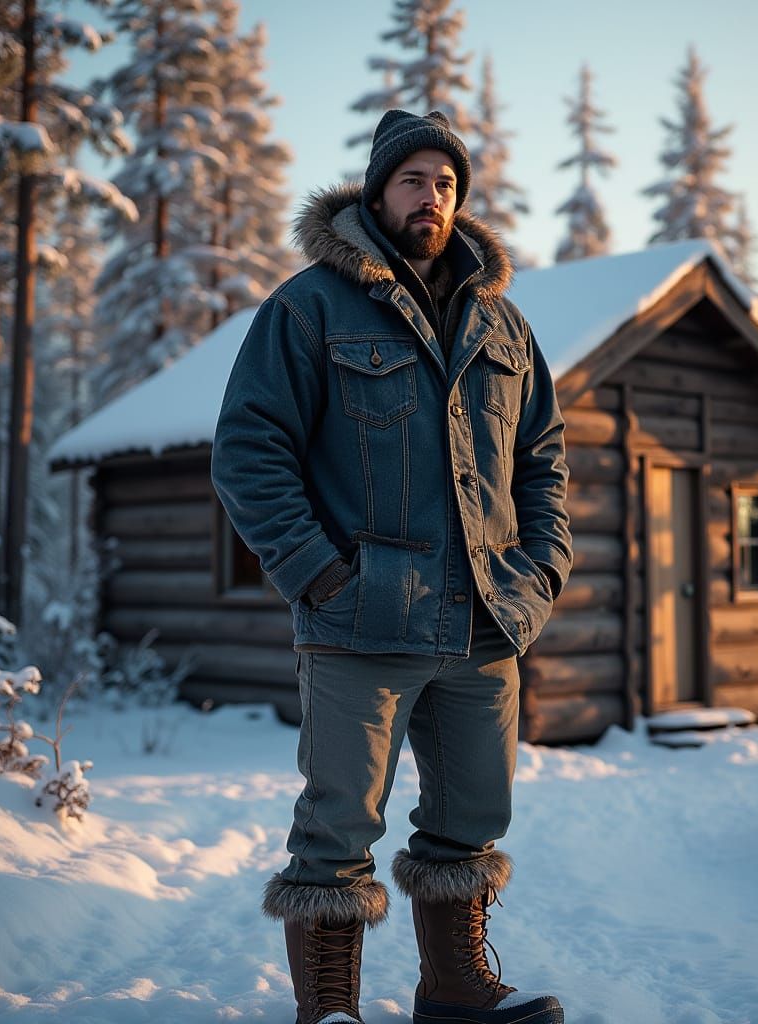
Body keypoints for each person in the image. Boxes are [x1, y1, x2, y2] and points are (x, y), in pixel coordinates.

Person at [211, 109, 572, 1024]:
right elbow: (249, 451)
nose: (432, 197)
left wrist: (535, 577)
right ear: (377, 191)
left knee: (471, 818)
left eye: (447, 184)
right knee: (337, 829)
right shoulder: (309, 307)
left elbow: (543, 463)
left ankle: (455, 991)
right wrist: (320, 576)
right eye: (414, 180)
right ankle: (329, 1009)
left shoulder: (505, 325)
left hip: (484, 623)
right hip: (361, 620)